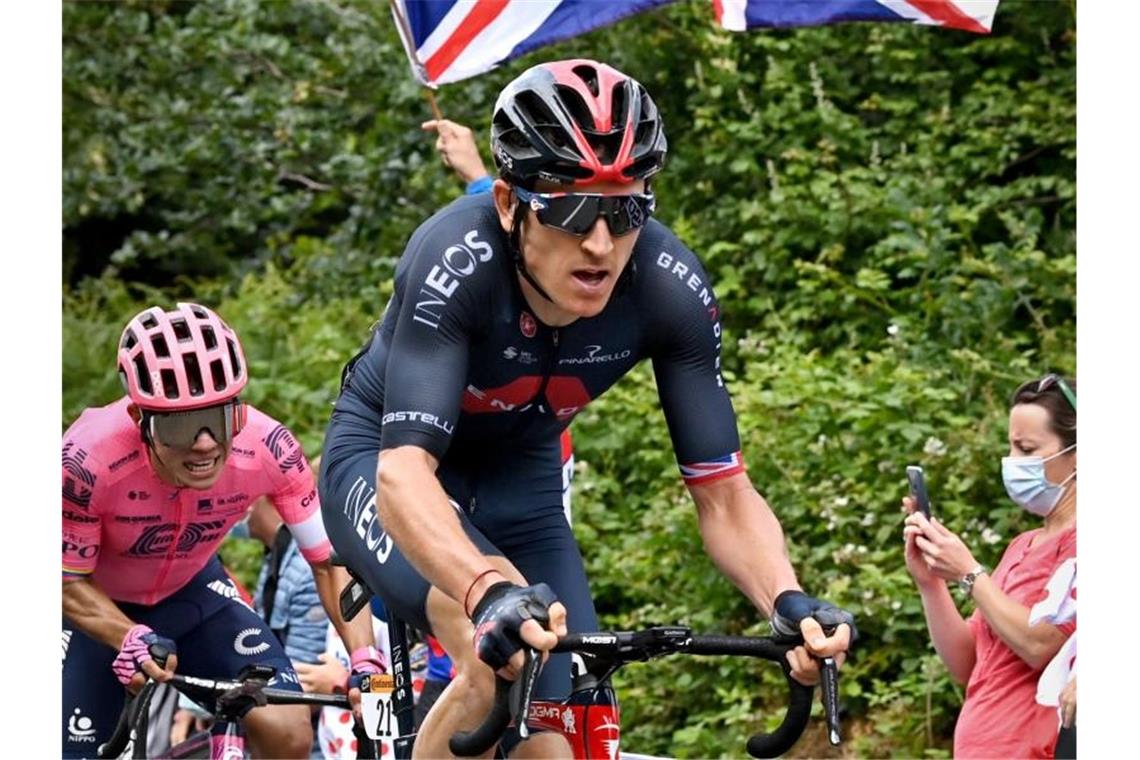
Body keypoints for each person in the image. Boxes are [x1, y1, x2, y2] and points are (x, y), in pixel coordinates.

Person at [319, 59, 855, 758]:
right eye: (572, 210)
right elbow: (403, 475)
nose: (601, 243)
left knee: (562, 693)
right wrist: (485, 590)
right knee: (490, 650)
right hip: (387, 461)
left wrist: (787, 600)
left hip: (522, 473)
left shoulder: (668, 288)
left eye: (627, 208)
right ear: (510, 204)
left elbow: (723, 493)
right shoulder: (455, 258)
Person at [62, 302, 381, 759]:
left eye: (220, 417)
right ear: (141, 422)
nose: (206, 442)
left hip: (195, 594)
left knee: (288, 730)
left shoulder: (271, 447)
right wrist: (124, 635)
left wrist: (365, 656)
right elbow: (66, 579)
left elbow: (330, 565)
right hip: (99, 608)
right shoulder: (87, 460)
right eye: (181, 425)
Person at [902, 374, 1077, 759]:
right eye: (1010, 446)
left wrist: (969, 573)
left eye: (1026, 448)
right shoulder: (1023, 545)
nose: (1012, 462)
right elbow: (969, 662)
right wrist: (931, 582)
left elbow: (1039, 645)